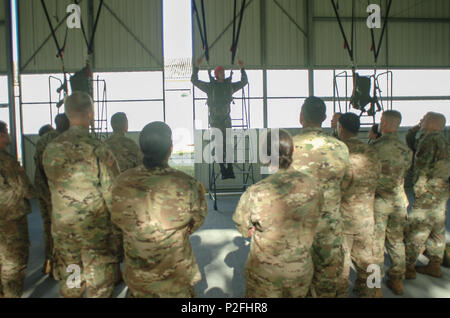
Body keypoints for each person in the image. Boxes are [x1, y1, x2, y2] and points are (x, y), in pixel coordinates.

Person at [111, 122, 207, 298]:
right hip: (176, 277)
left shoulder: (121, 182)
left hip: (138, 277)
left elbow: (117, 220)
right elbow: (197, 220)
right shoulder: (187, 184)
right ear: (170, 149)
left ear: (141, 149)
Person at [43, 92, 120, 298]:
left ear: (68, 115)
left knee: (72, 281)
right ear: (90, 114)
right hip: (94, 233)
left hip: (65, 232)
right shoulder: (98, 149)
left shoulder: (51, 149)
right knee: (99, 286)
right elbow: (112, 192)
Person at [233, 129, 323, 298]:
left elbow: (243, 227)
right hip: (300, 270)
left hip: (265, 274)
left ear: (264, 156)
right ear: (294, 151)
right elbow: (317, 215)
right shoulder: (313, 186)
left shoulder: (256, 192)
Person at [291, 97, 351, 298]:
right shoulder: (341, 147)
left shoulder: (285, 146)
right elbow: (346, 182)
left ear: (301, 117)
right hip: (329, 222)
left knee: (296, 274)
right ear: (324, 118)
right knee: (327, 274)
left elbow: (276, 186)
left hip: (297, 223)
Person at [335, 113, 381, 298]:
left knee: (341, 262)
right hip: (367, 215)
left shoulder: (340, 151)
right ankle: (371, 291)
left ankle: (341, 294)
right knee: (368, 260)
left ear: (341, 128)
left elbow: (335, 183)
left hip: (344, 217)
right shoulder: (372, 151)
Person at [372, 110, 412, 296]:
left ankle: (374, 285)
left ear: (385, 124)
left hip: (379, 202)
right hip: (398, 201)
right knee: (396, 241)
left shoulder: (375, 147)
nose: (380, 123)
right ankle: (397, 279)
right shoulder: (406, 150)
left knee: (376, 244)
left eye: (381, 120)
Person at [405, 112, 449, 279]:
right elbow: (413, 145)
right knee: (437, 229)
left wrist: (419, 191)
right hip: (441, 191)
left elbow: (422, 167)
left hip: (428, 193)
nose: (421, 121)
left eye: (424, 119)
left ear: (431, 123)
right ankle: (435, 264)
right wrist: (413, 131)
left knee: (417, 228)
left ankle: (408, 266)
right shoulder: (442, 141)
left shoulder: (429, 141)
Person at [191, 57, 248, 179]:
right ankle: (223, 170)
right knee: (219, 146)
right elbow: (194, 80)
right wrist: (196, 67)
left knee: (228, 145)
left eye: (224, 72)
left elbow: (244, 82)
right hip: (215, 121)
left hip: (226, 120)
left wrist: (242, 69)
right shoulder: (210, 87)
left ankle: (230, 169)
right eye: (221, 72)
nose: (223, 74)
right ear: (216, 75)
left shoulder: (229, 86)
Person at [104, 112, 144, 285]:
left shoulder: (103, 146)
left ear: (112, 125)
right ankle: (130, 273)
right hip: (128, 197)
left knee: (112, 235)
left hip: (108, 197)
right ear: (125, 125)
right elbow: (141, 170)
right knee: (129, 235)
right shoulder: (131, 145)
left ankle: (115, 273)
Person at [0, 121, 34, 298]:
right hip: (10, 222)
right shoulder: (6, 161)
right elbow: (26, 191)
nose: (8, 135)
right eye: (6, 132)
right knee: (12, 270)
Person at [34, 113, 70, 276]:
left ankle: (49, 263)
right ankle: (67, 272)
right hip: (59, 194)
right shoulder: (68, 141)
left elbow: (39, 164)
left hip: (44, 189)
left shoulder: (43, 140)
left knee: (48, 227)